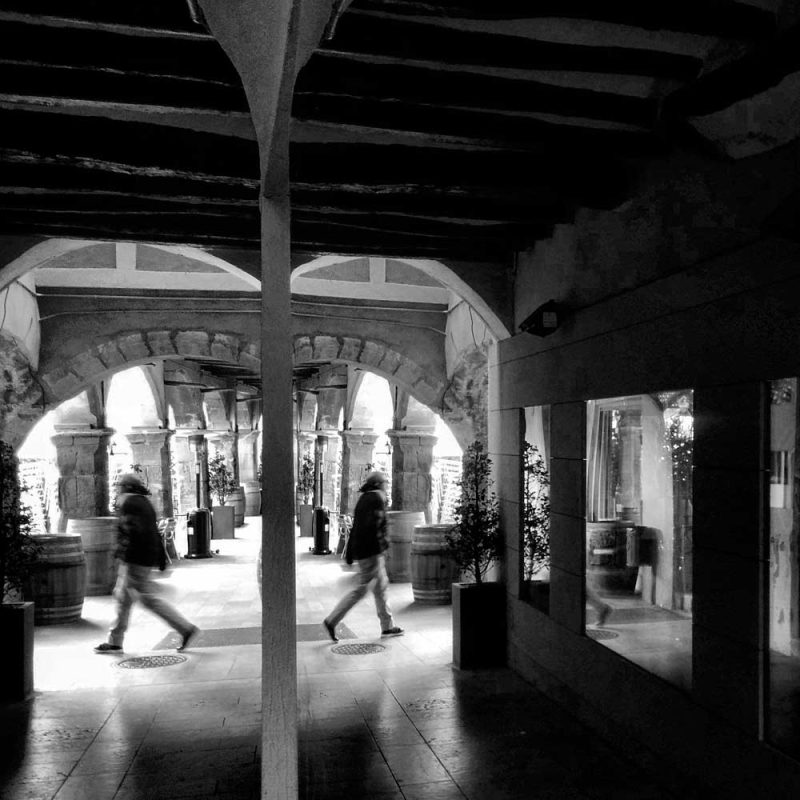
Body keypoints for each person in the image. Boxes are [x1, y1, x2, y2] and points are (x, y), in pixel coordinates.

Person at [94, 473, 199, 654]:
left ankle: (185, 628)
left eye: (120, 485)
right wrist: (159, 559)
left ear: (126, 487)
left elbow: (131, 533)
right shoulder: (143, 502)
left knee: (147, 600)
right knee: (123, 598)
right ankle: (115, 640)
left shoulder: (129, 503)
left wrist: (122, 556)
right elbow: (151, 532)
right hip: (143, 558)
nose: (117, 488)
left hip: (135, 560)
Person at [323, 471, 403, 642]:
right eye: (385, 483)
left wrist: (351, 552)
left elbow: (357, 527)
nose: (387, 486)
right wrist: (382, 547)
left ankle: (387, 626)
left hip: (366, 551)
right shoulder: (377, 498)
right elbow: (376, 526)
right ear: (379, 484)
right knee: (360, 590)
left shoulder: (364, 498)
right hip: (371, 552)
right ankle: (332, 620)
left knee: (381, 587)